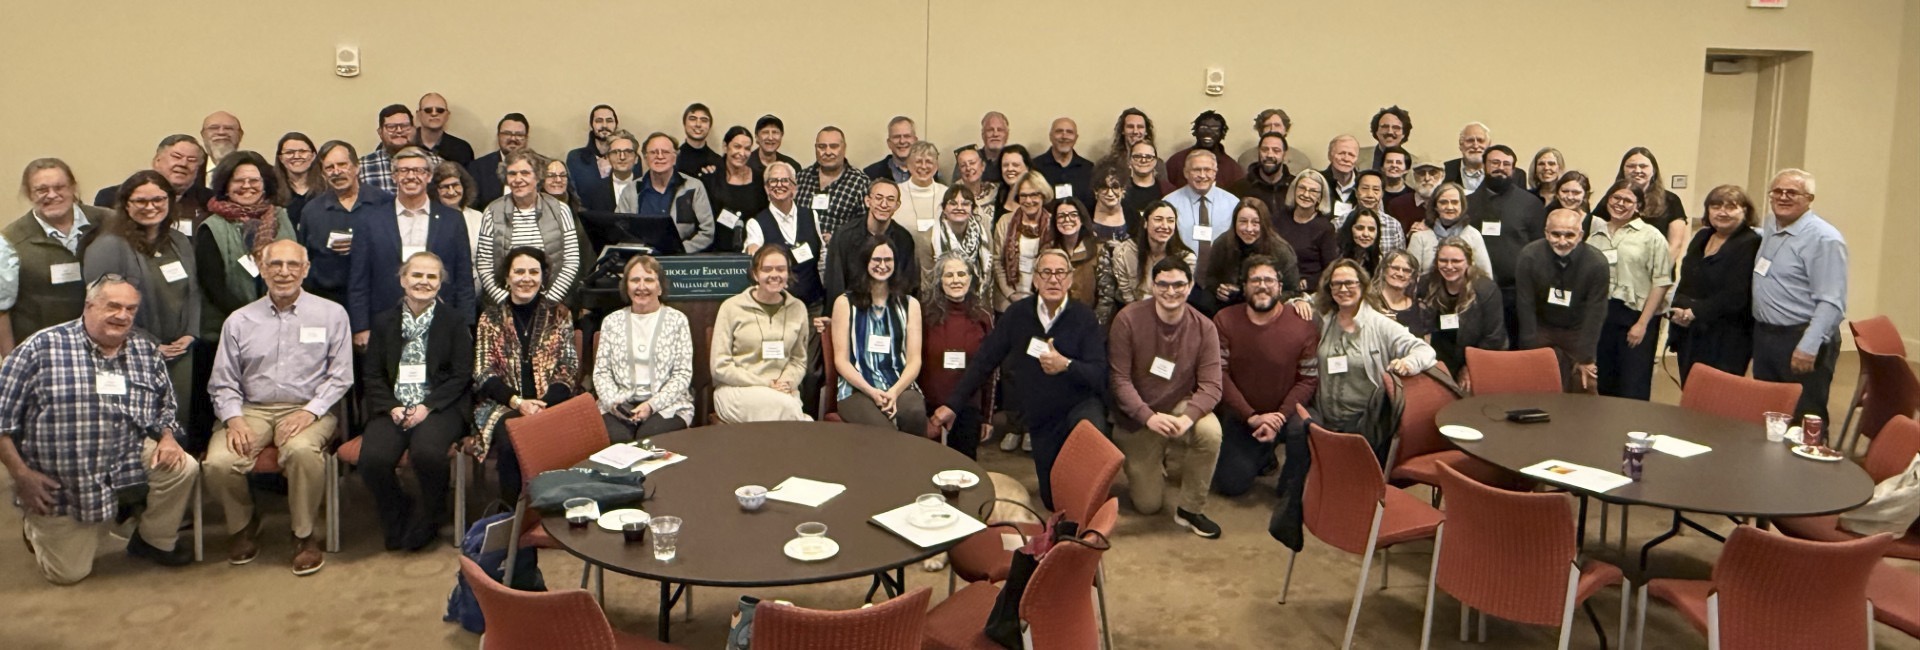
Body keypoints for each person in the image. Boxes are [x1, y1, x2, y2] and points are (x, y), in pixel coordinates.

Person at [0, 277, 198, 584]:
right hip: (62, 480)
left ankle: (152, 541)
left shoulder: (144, 351)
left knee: (183, 467)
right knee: (68, 574)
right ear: (89, 305)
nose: (123, 315)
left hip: (126, 456)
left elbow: (165, 405)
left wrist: (169, 438)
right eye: (113, 306)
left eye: (130, 309)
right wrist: (21, 476)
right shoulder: (40, 348)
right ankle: (34, 525)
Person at [204, 240, 354, 576]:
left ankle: (303, 534)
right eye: (275, 265)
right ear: (262, 268)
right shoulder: (239, 320)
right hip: (251, 409)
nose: (284, 272)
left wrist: (309, 412)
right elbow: (223, 381)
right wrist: (234, 419)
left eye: (292, 265)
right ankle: (243, 525)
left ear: (306, 269)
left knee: (301, 451)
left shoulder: (331, 314)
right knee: (219, 462)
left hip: (308, 407)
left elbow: (341, 376)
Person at [932, 249, 1108, 510]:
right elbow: (984, 361)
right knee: (1052, 500)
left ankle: (1090, 503)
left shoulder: (1084, 317)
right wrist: (953, 405)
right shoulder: (1018, 315)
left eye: (1060, 273)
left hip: (1078, 408)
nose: (1053, 279)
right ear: (1035, 280)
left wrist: (1066, 365)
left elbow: (1098, 373)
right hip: (1041, 416)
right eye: (1046, 272)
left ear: (1070, 280)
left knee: (1089, 452)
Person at [358, 252, 472, 551]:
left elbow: (461, 375)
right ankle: (398, 510)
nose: (423, 282)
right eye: (417, 275)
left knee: (427, 453)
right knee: (372, 459)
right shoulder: (384, 322)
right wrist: (392, 407)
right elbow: (372, 376)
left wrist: (426, 407)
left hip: (439, 406)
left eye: (431, 276)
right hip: (393, 405)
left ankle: (431, 515)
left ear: (440, 283)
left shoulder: (454, 321)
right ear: (403, 279)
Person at [1109, 257, 1224, 538]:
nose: (1171, 292)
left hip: (1178, 406)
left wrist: (1188, 419)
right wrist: (1147, 417)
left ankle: (1190, 510)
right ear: (1151, 285)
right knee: (1148, 505)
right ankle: (1155, 455)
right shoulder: (1127, 319)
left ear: (1190, 286)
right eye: (1163, 284)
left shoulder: (1204, 327)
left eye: (1178, 285)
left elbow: (1212, 386)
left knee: (1210, 432)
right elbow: (1119, 380)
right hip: (1139, 415)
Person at [80, 172, 200, 437]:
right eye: (141, 201)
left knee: (177, 426)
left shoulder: (178, 241)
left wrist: (191, 333)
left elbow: (193, 291)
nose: (151, 207)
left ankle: (176, 477)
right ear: (125, 204)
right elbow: (104, 308)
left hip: (180, 352)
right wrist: (150, 343)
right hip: (131, 351)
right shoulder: (108, 246)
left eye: (158, 199)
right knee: (140, 428)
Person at [469, 247, 581, 503]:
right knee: (512, 442)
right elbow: (483, 372)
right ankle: (513, 514)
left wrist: (544, 404)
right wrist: (518, 403)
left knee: (565, 436)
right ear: (507, 278)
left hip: (552, 403)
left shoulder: (560, 314)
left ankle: (554, 508)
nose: (526, 278)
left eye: (533, 272)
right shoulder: (491, 317)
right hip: (503, 405)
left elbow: (569, 367)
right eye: (519, 272)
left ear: (543, 277)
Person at [1211, 254, 1317, 497]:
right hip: (1243, 415)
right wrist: (1251, 417)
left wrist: (1279, 417)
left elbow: (1308, 379)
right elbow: (1220, 374)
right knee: (1231, 486)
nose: (1262, 285)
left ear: (1280, 286)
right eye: (1255, 279)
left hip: (1287, 413)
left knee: (1305, 426)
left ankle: (1289, 482)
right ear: (1245, 286)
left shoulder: (1302, 324)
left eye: (1269, 280)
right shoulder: (1225, 320)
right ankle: (1263, 452)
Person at [349, 147, 476, 339]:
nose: (411, 176)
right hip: (384, 323)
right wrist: (360, 327)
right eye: (404, 170)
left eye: (418, 171)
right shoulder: (370, 219)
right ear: (394, 176)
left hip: (441, 322)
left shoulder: (452, 220)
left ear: (429, 176)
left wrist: (465, 325)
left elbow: (464, 278)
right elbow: (359, 278)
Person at [1752, 169, 1846, 421]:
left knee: (1805, 414)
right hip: (1766, 336)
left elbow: (1832, 301)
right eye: (1777, 192)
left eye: (1792, 192)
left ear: (1809, 198)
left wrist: (1808, 345)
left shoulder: (1824, 239)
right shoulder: (1772, 224)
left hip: (1801, 337)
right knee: (1770, 411)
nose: (1783, 197)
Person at [1312, 259, 1435, 442]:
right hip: (1325, 422)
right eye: (1336, 284)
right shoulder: (1324, 320)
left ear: (1362, 285)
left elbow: (1425, 350)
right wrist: (1299, 301)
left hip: (1365, 426)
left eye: (1350, 283)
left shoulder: (1380, 323)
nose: (1343, 289)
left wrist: (1408, 363)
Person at [829, 238, 926, 437]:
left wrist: (894, 392)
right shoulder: (844, 303)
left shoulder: (910, 304)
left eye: (888, 260)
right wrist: (872, 391)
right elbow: (841, 360)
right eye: (876, 260)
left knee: (914, 413)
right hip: (857, 389)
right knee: (883, 433)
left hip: (900, 385)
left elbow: (915, 359)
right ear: (865, 262)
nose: (882, 265)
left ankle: (914, 466)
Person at [1587, 181, 1673, 400]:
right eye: (1616, 198)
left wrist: (1642, 324)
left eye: (1627, 200)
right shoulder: (1595, 235)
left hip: (1636, 317)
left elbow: (1661, 282)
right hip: (1603, 317)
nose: (1620, 204)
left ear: (1638, 206)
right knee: (1606, 383)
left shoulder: (1651, 237)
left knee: (1632, 385)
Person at [6, 159, 103, 349]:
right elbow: (2, 309)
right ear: (28, 193)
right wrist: (10, 360)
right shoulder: (11, 241)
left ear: (73, 187)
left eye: (60, 187)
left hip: (104, 344)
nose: (52, 195)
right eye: (41, 190)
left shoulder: (108, 222)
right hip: (44, 351)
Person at [593, 256, 694, 438]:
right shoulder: (611, 322)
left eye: (649, 280)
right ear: (626, 287)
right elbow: (602, 373)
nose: (641, 287)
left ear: (660, 286)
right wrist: (615, 403)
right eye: (634, 280)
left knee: (649, 438)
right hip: (617, 404)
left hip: (666, 405)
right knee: (619, 440)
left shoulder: (677, 320)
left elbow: (682, 374)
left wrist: (651, 405)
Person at [1670, 185, 1761, 384]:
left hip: (1727, 336)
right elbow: (1687, 278)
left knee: (1717, 396)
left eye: (1731, 206)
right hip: (1691, 331)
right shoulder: (1702, 236)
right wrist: (1678, 308)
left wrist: (1694, 312)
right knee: (1691, 391)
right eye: (1716, 206)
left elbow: (1737, 294)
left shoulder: (1750, 242)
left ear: (1745, 211)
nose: (1722, 212)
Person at [712, 245, 813, 423]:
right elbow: (720, 366)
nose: (774, 274)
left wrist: (786, 381)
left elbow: (798, 360)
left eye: (781, 269)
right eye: (767, 269)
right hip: (737, 390)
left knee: (786, 409)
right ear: (755, 274)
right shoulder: (731, 307)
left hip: (783, 391)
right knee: (792, 414)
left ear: (788, 273)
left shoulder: (798, 308)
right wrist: (765, 384)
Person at [1515, 209, 1611, 393]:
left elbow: (1596, 312)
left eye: (1569, 235)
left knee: (1585, 382)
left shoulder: (1597, 263)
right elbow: (1525, 304)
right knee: (1535, 384)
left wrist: (1586, 357)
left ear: (1580, 235)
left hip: (1577, 328)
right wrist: (1529, 349)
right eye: (1555, 234)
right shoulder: (1529, 256)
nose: (1562, 241)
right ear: (1546, 233)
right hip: (1542, 326)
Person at [476, 151, 582, 305]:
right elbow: (484, 264)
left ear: (538, 176)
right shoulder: (492, 211)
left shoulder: (560, 209)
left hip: (552, 304)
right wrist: (506, 302)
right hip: (504, 306)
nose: (518, 179)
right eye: (512, 174)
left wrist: (548, 302)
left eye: (525, 173)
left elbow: (571, 261)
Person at [920, 252, 995, 458]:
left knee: (963, 470)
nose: (956, 280)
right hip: (928, 406)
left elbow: (990, 371)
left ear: (971, 279)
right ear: (939, 280)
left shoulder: (983, 317)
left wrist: (987, 417)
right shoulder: (923, 315)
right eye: (949, 275)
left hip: (967, 407)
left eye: (962, 274)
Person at [297, 142, 388, 307]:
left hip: (375, 301)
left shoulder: (384, 203)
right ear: (323, 175)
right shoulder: (311, 212)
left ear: (356, 168)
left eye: (342, 165)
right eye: (329, 168)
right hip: (326, 302)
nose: (337, 172)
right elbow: (304, 258)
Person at [1472, 145, 1547, 341]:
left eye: (1507, 164)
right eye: (1495, 163)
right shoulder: (1467, 203)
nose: (1501, 168)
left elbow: (1540, 250)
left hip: (1516, 293)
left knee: (1514, 347)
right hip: (1474, 291)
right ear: (1484, 166)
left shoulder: (1531, 204)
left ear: (1513, 169)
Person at [1417, 239, 1507, 380]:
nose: (1449, 266)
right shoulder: (1426, 283)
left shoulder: (1486, 289)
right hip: (1437, 357)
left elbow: (1493, 337)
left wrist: (1469, 367)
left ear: (1469, 262)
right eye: (1443, 260)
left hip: (1476, 355)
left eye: (1456, 261)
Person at [1097, 201, 1196, 325]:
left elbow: (1179, 296)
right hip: (1133, 316)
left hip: (1170, 317)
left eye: (1170, 221)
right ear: (1145, 223)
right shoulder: (1124, 252)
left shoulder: (1186, 259)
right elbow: (1127, 296)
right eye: (1158, 219)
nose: (1165, 226)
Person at [743, 162, 827, 309]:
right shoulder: (755, 224)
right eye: (773, 181)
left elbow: (822, 257)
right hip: (778, 308)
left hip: (814, 305)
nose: (779, 185)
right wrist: (752, 249)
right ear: (766, 189)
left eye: (785, 180)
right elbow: (754, 264)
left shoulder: (810, 215)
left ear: (794, 187)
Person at [824, 178, 918, 301]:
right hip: (850, 308)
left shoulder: (904, 239)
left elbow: (907, 284)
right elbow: (835, 282)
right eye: (878, 198)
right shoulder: (844, 236)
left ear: (897, 205)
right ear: (868, 201)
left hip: (889, 308)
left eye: (890, 200)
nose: (884, 204)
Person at [1201, 198, 1301, 312]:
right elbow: (1210, 278)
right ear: (1235, 222)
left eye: (1256, 223)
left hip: (1267, 307)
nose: (1249, 229)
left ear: (1264, 224)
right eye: (1243, 222)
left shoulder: (1281, 250)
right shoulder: (1222, 243)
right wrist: (1217, 289)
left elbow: (1293, 290)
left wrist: (1269, 296)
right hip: (1228, 307)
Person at [93, 135, 213, 230]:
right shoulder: (112, 197)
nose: (183, 164)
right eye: (176, 156)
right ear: (157, 161)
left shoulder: (209, 201)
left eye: (192, 160)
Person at [1602, 147, 1689, 264]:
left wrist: (1659, 273)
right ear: (1623, 170)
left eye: (1643, 166)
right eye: (1631, 166)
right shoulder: (1612, 197)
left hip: (1655, 273)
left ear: (1654, 171)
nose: (1637, 170)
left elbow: (1675, 244)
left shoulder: (1671, 200)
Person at [1161, 150, 1241, 271]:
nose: (1202, 175)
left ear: (1215, 173)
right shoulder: (1169, 203)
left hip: (1221, 275)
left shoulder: (1233, 203)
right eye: (1196, 170)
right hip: (1180, 275)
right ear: (1186, 173)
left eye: (1207, 170)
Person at [917, 185, 994, 307]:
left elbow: (988, 274)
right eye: (953, 203)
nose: (959, 208)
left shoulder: (983, 235)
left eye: (965, 204)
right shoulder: (928, 238)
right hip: (940, 305)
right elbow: (928, 283)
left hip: (976, 302)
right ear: (943, 209)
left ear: (973, 209)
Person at [1406, 182, 1494, 278]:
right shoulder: (1420, 237)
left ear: (1462, 206)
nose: (1449, 207)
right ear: (1435, 206)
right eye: (1443, 202)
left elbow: (1486, 277)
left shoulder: (1473, 235)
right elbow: (1410, 277)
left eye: (1455, 202)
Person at [992, 173, 1054, 310]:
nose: (1028, 200)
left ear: (1043, 196)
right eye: (1023, 195)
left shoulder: (1053, 224)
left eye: (1034, 195)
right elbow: (997, 261)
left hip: (1043, 301)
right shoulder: (1005, 221)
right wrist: (1011, 294)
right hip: (1008, 301)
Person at [796, 127, 873, 236]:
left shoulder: (860, 183)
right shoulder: (801, 179)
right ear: (815, 148)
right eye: (822, 147)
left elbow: (867, 230)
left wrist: (837, 240)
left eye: (834, 146)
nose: (827, 152)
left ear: (844, 148)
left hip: (841, 251)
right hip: (802, 250)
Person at [705, 126, 769, 252]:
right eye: (737, 146)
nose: (742, 153)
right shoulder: (711, 178)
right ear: (725, 147)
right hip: (717, 251)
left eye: (747, 149)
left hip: (752, 250)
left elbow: (765, 216)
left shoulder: (760, 179)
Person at [1273, 170, 1340, 290]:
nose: (1306, 194)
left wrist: (1308, 283)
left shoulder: (1325, 228)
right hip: (1276, 283)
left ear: (1320, 197)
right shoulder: (1278, 219)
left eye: (1313, 191)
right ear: (1294, 191)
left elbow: (1330, 269)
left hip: (1308, 289)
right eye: (1302, 188)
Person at [359, 105, 442, 195]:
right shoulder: (362, 167)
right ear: (380, 132)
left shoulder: (437, 163)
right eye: (391, 127)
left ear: (414, 129)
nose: (399, 131)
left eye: (405, 126)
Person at [1166, 111, 1245, 188]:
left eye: (1215, 128)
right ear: (1195, 131)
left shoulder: (1232, 168)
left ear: (1222, 134)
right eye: (1203, 127)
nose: (1208, 132)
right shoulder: (1176, 161)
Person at [1224, 131, 1295, 217]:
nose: (1269, 154)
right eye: (1265, 150)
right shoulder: (1240, 189)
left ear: (1285, 154)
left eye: (1276, 150)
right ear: (1258, 152)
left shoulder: (1295, 187)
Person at [467, 113, 531, 208]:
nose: (513, 138)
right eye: (507, 133)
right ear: (498, 136)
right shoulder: (478, 168)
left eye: (519, 134)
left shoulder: (541, 166)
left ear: (526, 138)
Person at [1337, 170, 1406, 252]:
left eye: (1376, 189)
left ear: (1382, 194)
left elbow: (1400, 258)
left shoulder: (1393, 225)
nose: (1370, 194)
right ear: (1356, 192)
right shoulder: (1340, 222)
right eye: (1365, 188)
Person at [1050, 198, 1102, 306]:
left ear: (1082, 219)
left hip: (1089, 317)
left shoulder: (1098, 250)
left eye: (1073, 215)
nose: (1067, 219)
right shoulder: (1047, 251)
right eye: (1061, 216)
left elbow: (1105, 296)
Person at [433, 161, 487, 263]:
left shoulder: (477, 217)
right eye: (445, 187)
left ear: (465, 186)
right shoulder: (430, 217)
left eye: (455, 185)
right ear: (435, 190)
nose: (451, 192)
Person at [1033, 117, 1095, 206]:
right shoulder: (1035, 167)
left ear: (1076, 138)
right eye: (1059, 131)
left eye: (1069, 132)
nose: (1064, 136)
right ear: (1050, 136)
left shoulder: (1089, 168)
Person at [566, 105, 620, 201]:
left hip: (621, 215)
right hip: (585, 215)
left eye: (609, 121)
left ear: (616, 124)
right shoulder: (575, 158)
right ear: (592, 124)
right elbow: (572, 195)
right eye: (599, 121)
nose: (604, 125)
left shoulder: (628, 158)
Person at [1368, 249, 1426, 334]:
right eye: (1395, 268)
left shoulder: (1420, 309)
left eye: (1406, 270)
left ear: (1412, 277)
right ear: (1384, 271)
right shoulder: (1369, 303)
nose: (1400, 274)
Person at [897, 141, 948, 236]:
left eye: (929, 161)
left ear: (936, 166)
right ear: (908, 165)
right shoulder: (896, 193)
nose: (924, 166)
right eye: (918, 161)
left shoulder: (946, 194)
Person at [414, 92, 474, 168]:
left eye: (440, 110)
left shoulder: (462, 149)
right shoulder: (406, 144)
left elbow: (468, 179)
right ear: (418, 114)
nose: (434, 114)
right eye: (428, 110)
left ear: (447, 115)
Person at [1385, 159, 1444, 233]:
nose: (1427, 178)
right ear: (1414, 176)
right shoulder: (1397, 205)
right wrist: (1409, 236)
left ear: (1442, 176)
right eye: (1421, 173)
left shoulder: (1448, 204)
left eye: (1433, 173)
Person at [275, 133, 322, 225]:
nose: (296, 156)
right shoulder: (272, 190)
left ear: (313, 156)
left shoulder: (327, 188)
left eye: (303, 151)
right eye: (289, 152)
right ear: (280, 158)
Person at [1122, 141, 1175, 220]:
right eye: (1137, 156)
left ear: (1155, 161)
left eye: (1148, 157)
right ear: (1129, 160)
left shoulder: (1170, 191)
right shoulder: (1119, 189)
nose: (1143, 160)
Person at [952, 145, 1001, 228]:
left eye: (972, 163)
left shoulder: (996, 191)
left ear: (983, 166)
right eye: (963, 165)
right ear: (959, 171)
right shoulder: (952, 195)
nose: (968, 168)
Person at [1443, 122, 1499, 193]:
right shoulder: (1444, 172)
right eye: (1470, 140)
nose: (1475, 146)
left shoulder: (1500, 173)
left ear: (1489, 145)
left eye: (1480, 141)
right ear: (1461, 145)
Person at [954, 111, 1010, 182]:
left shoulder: (1016, 160)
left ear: (1007, 135)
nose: (995, 134)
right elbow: (955, 190)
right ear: (983, 135)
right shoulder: (967, 159)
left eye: (1000, 130)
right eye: (990, 130)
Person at [864, 116, 921, 183]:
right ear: (889, 143)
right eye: (896, 137)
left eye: (907, 136)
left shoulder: (928, 171)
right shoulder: (871, 173)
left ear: (915, 141)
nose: (902, 141)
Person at [676, 103, 724, 180]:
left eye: (704, 120)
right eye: (692, 119)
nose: (698, 124)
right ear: (684, 123)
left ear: (709, 126)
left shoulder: (718, 161)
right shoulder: (674, 158)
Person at [1087, 163, 1133, 241]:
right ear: (1096, 190)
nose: (1110, 193)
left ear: (1123, 189)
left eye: (1115, 187)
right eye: (1104, 187)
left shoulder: (1133, 217)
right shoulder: (1085, 215)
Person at [1335, 208, 1386, 275]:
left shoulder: (1377, 259)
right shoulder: (1334, 254)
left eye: (1371, 229)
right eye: (1360, 228)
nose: (1366, 234)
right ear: (1349, 229)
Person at [1361, 106, 1412, 171]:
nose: (1390, 132)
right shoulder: (1357, 158)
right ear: (1376, 131)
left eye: (1396, 127)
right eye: (1385, 127)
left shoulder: (1415, 164)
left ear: (1404, 134)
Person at [1322, 135, 1362, 217]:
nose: (1346, 159)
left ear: (1357, 159)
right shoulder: (1318, 181)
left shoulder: (1364, 183)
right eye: (1341, 153)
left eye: (1351, 155)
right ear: (1330, 156)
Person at [992, 145, 1034, 217]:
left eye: (1015, 165)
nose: (1010, 169)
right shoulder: (998, 194)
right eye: (1005, 165)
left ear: (1027, 168)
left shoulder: (1034, 196)